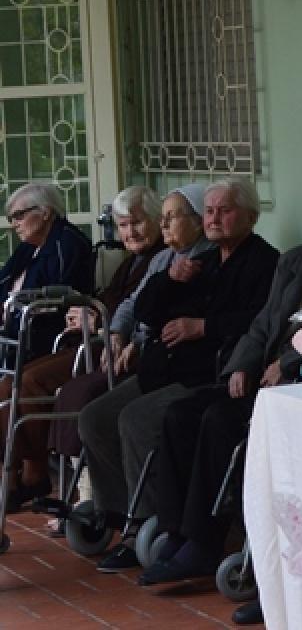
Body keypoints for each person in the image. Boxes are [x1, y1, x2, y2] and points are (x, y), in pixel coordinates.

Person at [140, 183, 302, 586]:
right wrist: (243, 364)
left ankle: (204, 543)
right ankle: (176, 530)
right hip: (262, 374)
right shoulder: (294, 261)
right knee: (180, 415)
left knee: (220, 422)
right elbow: (264, 321)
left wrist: (284, 364)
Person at [81, 177, 278, 573]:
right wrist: (169, 279)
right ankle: (119, 513)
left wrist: (202, 326)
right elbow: (147, 312)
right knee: (94, 418)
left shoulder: (264, 261)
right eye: (209, 211)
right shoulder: (201, 261)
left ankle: (148, 527)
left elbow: (260, 320)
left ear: (251, 217)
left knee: (137, 420)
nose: (215, 219)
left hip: (206, 372)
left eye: (225, 210)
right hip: (163, 368)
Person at [1, 186, 164, 512]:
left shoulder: (159, 259)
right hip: (89, 338)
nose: (129, 232)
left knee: (25, 382)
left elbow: (144, 311)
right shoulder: (133, 260)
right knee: (8, 384)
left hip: (91, 344)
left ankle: (33, 471)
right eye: (122, 225)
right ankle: (17, 474)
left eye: (137, 223)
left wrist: (99, 319)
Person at [48, 185, 212, 468]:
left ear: (197, 220)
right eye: (123, 225)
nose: (163, 225)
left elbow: (168, 318)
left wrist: (133, 340)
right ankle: (97, 496)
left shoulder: (206, 259)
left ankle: (118, 498)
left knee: (102, 404)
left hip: (172, 363)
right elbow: (133, 305)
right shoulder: (162, 259)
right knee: (89, 411)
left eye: (168, 218)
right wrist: (116, 332)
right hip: (137, 351)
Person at [0, 182, 94, 370]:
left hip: (38, 333)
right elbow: (3, 279)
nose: (14, 224)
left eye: (19, 216)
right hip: (12, 327)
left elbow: (57, 297)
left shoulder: (68, 243)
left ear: (45, 213)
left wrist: (11, 312)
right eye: (11, 218)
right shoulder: (28, 246)